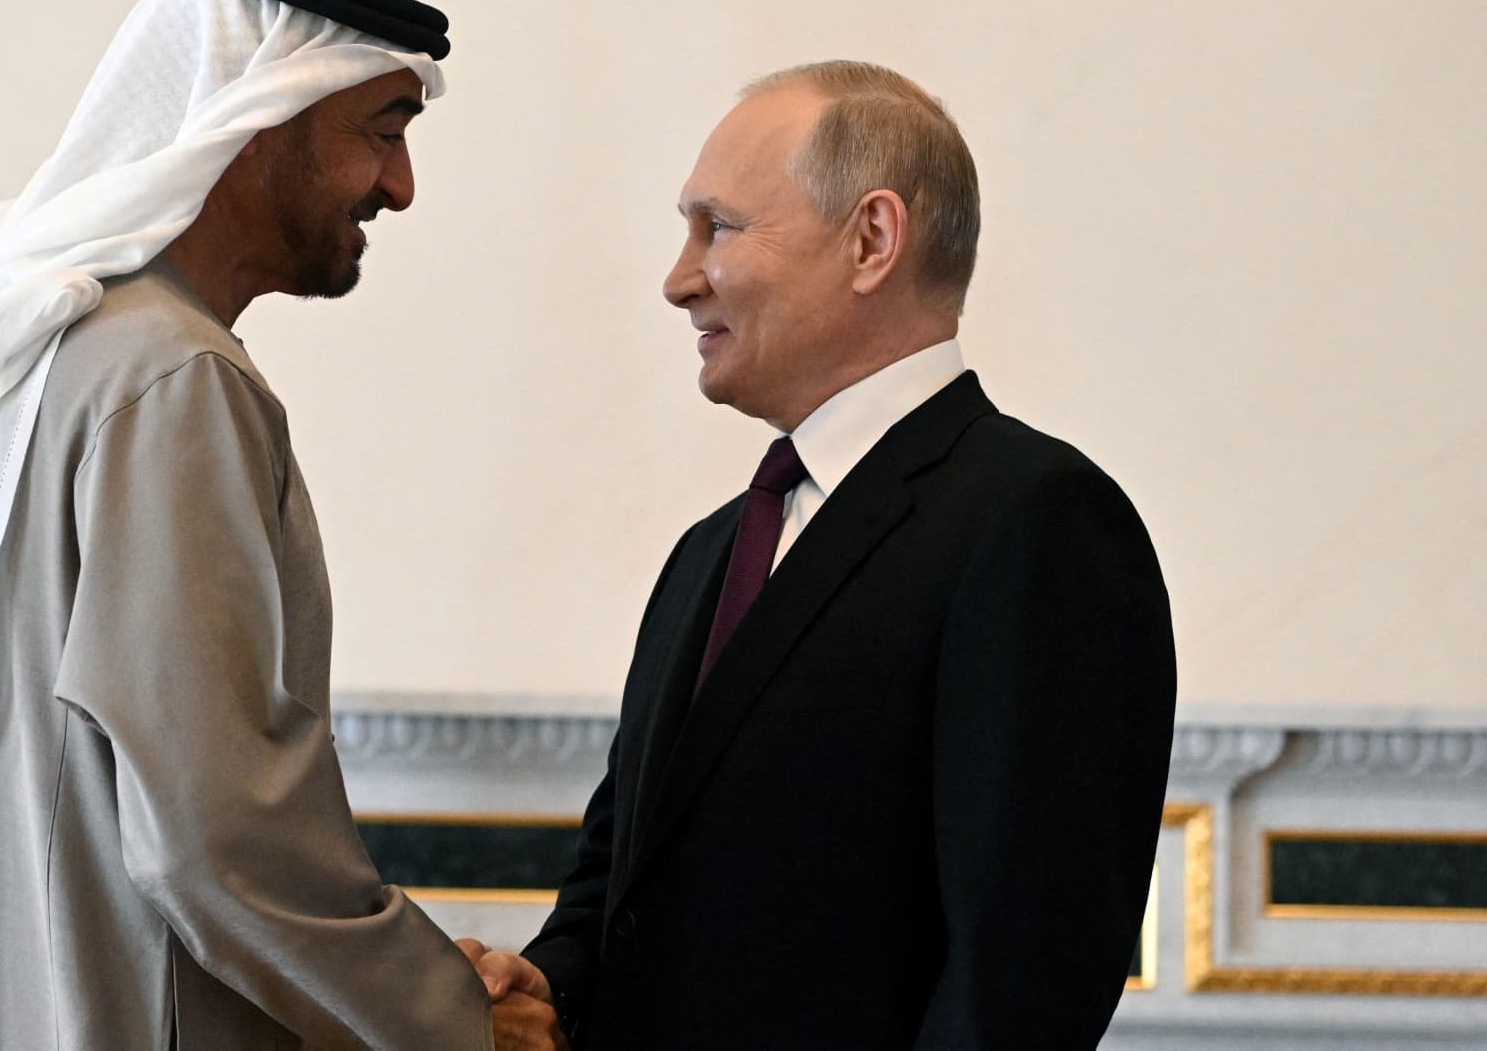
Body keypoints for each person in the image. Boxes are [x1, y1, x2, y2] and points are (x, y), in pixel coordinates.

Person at [460, 61, 1177, 1049]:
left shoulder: (1038, 522)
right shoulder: (710, 552)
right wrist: (545, 988)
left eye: (719, 227)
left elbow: (1022, 980)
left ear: (872, 239)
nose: (678, 279)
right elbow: (624, 889)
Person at [0, 0, 494, 1048]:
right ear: (261, 113)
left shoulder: (61, 351)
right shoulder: (173, 377)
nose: (400, 186)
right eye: (383, 132)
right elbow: (219, 834)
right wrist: (452, 1018)